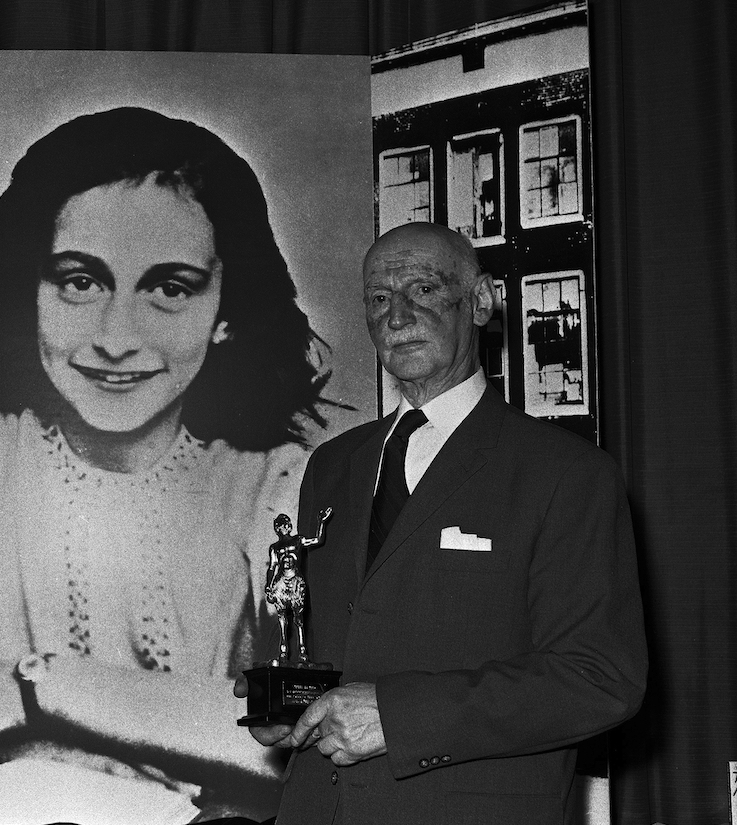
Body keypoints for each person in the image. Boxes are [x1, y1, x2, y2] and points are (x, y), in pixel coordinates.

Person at [0, 106, 331, 822]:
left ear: (226, 310)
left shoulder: (284, 484)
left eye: (169, 287)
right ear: (30, 293)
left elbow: (307, 729)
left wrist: (42, 689)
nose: (114, 337)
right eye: (79, 281)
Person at [238, 222, 647, 824]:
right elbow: (338, 633)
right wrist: (292, 700)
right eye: (379, 298)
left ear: (480, 302)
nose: (396, 316)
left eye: (423, 290)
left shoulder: (566, 473)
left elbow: (600, 678)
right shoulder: (334, 464)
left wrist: (397, 718)